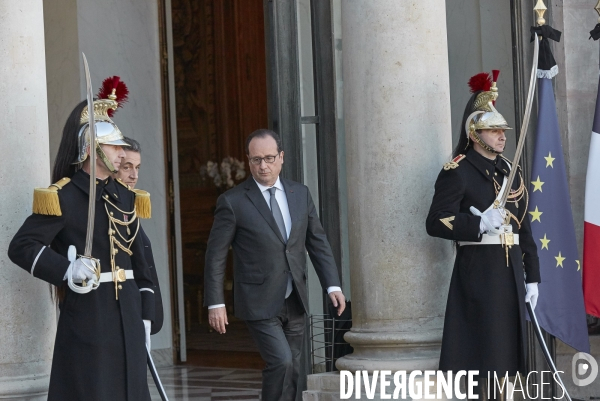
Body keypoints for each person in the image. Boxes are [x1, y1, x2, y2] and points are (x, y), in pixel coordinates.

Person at [7, 77, 155, 401]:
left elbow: (140, 261)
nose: (121, 152)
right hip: (90, 313)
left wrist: (147, 312)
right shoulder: (65, 196)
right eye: (115, 146)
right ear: (94, 148)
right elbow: (21, 246)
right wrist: (66, 270)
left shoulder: (127, 197)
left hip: (127, 312)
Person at [204, 129, 346, 400]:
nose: (263, 165)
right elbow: (216, 255)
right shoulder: (233, 202)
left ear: (281, 157)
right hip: (259, 299)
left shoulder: (300, 193)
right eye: (256, 159)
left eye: (269, 158)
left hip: (295, 298)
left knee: (292, 369)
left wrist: (333, 285)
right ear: (248, 161)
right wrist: (215, 302)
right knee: (281, 362)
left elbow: (317, 242)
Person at [426, 71, 540, 389]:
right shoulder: (458, 172)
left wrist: (533, 276)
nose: (503, 136)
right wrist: (477, 223)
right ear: (476, 133)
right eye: (494, 130)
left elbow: (524, 227)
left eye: (503, 130)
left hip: (509, 273)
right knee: (483, 357)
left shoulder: (509, 171)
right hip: (479, 274)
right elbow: (436, 221)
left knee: (507, 359)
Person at [113, 136, 164, 335]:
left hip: (137, 308)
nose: (134, 175)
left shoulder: (129, 205)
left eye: (138, 167)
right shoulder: (111, 207)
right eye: (127, 167)